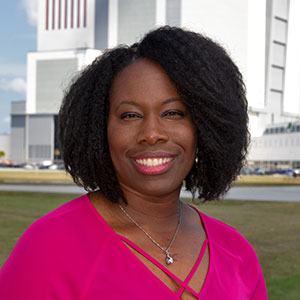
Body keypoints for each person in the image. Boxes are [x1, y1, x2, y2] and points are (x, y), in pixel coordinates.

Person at [0, 26, 267, 299]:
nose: (151, 133)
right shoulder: (49, 247)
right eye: (130, 115)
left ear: (205, 126)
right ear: (99, 130)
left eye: (173, 113)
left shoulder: (237, 253)